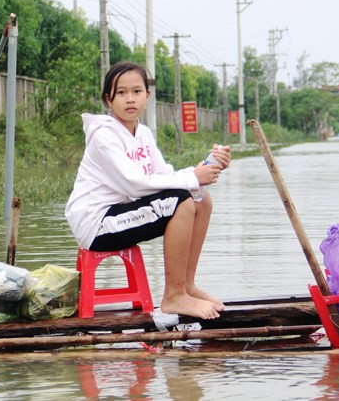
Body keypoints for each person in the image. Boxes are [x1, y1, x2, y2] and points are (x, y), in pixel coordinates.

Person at [65, 62, 231, 320]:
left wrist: (204, 170)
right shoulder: (104, 136)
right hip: (97, 223)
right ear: (108, 100)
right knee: (182, 202)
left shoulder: (142, 133)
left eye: (136, 91)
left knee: (201, 200)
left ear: (147, 96)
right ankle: (173, 296)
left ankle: (186, 286)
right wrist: (191, 178)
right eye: (121, 93)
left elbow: (163, 176)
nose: (129, 99)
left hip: (121, 215)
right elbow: (134, 184)